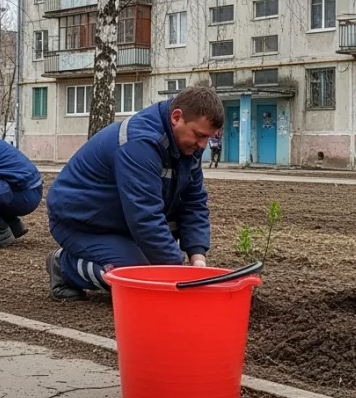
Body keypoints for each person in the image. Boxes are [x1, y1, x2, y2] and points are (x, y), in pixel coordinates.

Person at [45, 85, 223, 300]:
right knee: (142, 280)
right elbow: (144, 216)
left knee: (158, 277)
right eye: (199, 135)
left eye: (209, 138)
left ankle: (131, 258)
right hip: (81, 222)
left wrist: (197, 259)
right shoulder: (139, 143)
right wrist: (179, 272)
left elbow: (194, 203)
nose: (203, 145)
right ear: (177, 117)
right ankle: (64, 265)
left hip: (120, 221)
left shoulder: (189, 144)